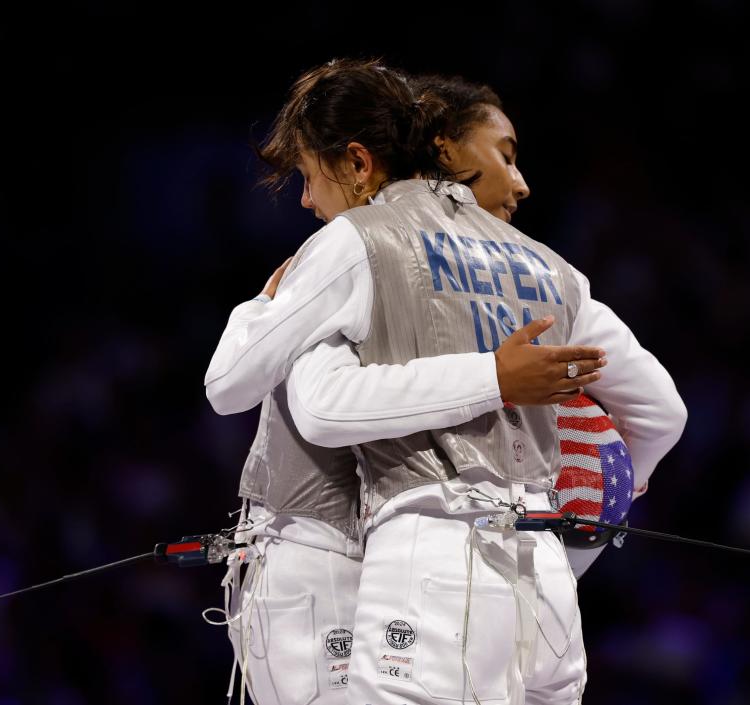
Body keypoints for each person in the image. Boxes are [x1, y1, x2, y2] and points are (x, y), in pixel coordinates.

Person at [208, 58, 687, 705]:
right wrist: (596, 515)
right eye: (506, 155)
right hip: (540, 573)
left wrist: (268, 300)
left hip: (379, 562)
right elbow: (660, 410)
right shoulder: (551, 268)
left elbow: (259, 390)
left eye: (306, 174)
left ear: (356, 160)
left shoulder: (359, 246)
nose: (303, 197)